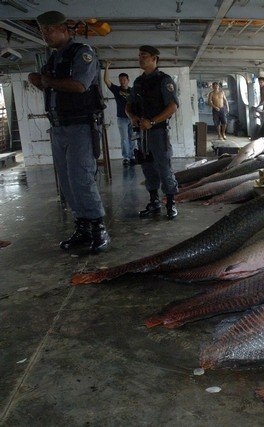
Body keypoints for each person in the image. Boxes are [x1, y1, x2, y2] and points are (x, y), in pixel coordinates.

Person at [27, 10, 110, 253]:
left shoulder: (82, 52)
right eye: (42, 32)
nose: (45, 35)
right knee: (66, 182)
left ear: (64, 29)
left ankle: (98, 228)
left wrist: (46, 82)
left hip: (80, 125)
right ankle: (82, 227)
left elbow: (80, 85)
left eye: (49, 30)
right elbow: (54, 90)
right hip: (59, 126)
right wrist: (40, 82)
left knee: (81, 178)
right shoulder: (54, 59)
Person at [125, 45, 180, 220]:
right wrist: (132, 117)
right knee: (148, 168)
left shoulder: (164, 80)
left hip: (158, 132)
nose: (140, 58)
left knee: (164, 167)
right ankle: (154, 201)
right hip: (142, 135)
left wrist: (153, 121)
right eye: (139, 55)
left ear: (154, 58)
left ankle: (171, 203)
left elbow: (173, 106)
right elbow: (128, 105)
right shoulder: (138, 82)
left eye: (144, 56)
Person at [103, 61, 134, 165]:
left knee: (132, 137)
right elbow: (106, 81)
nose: (122, 81)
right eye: (120, 80)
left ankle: (133, 156)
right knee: (125, 139)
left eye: (124, 79)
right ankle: (126, 158)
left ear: (128, 80)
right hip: (122, 118)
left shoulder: (133, 91)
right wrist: (107, 67)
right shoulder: (116, 90)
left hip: (132, 118)